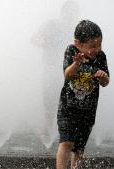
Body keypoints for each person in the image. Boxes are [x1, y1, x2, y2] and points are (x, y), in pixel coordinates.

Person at [54, 20, 110, 169]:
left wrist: (102, 77)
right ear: (77, 43)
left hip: (88, 110)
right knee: (66, 142)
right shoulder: (71, 51)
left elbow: (106, 82)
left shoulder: (100, 57)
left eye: (99, 44)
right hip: (68, 108)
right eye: (92, 46)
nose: (97, 49)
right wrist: (77, 63)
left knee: (79, 149)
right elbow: (68, 74)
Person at [31, 1, 80, 145]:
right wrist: (47, 43)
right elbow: (34, 38)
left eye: (74, 13)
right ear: (63, 12)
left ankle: (65, 132)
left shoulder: (77, 29)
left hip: (69, 70)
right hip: (51, 67)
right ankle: (48, 129)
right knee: (49, 100)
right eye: (69, 12)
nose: (71, 16)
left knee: (69, 101)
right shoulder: (52, 25)